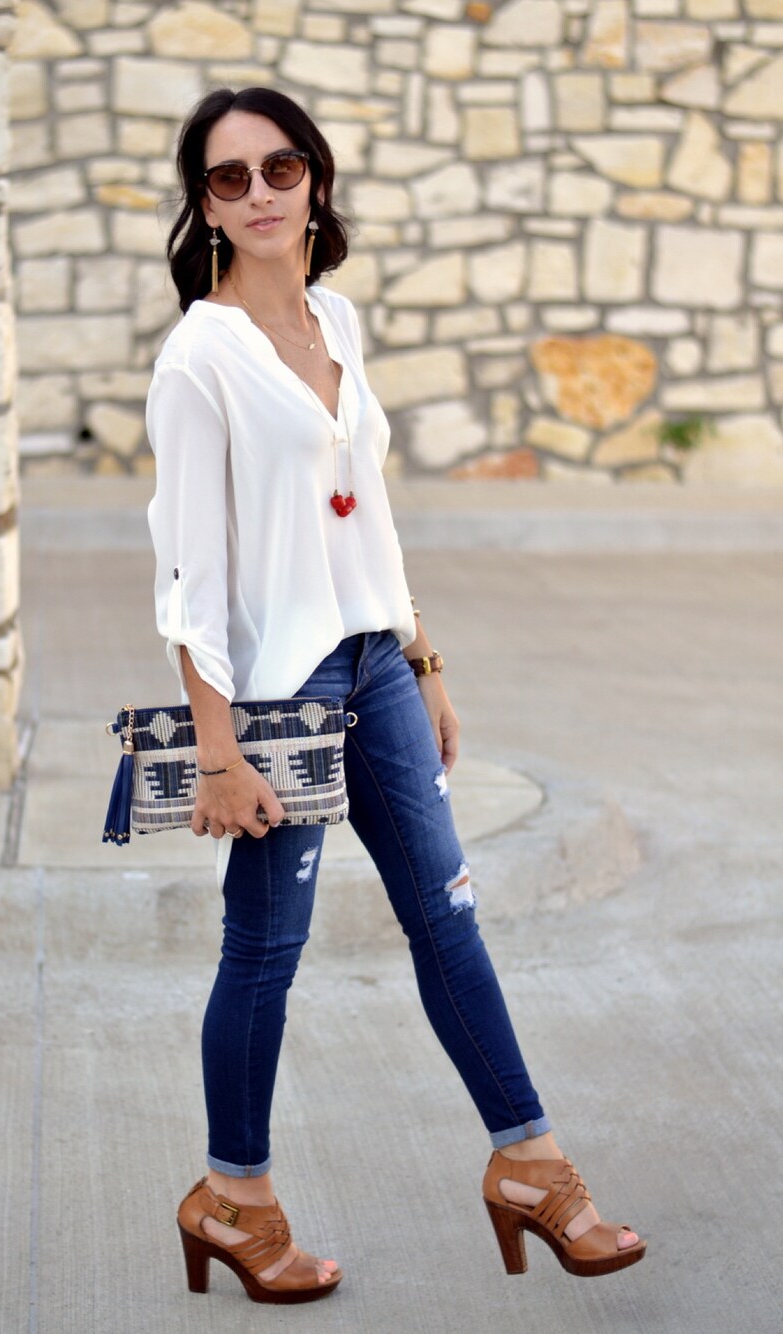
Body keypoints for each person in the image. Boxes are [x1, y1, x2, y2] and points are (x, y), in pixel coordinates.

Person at [145, 86, 646, 1306]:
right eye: (229, 178)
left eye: (280, 167)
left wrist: (424, 660)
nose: (260, 194)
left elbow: (365, 510)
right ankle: (233, 1195)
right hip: (279, 697)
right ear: (205, 206)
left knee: (447, 914)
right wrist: (217, 749)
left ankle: (531, 1163)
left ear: (315, 177)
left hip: (375, 662)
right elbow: (187, 573)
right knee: (266, 950)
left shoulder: (337, 319)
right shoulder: (199, 356)